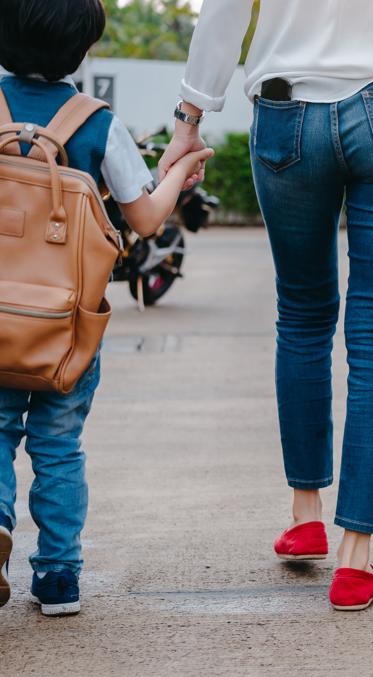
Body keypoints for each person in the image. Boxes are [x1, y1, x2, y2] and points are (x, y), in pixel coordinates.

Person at [164, 0, 373, 611]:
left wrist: (189, 118)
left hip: (287, 109)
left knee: (301, 316)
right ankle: (354, 559)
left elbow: (223, 11)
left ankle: (305, 517)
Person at [0, 0, 213, 616]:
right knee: (59, 447)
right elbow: (145, 219)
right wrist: (181, 171)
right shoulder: (96, 123)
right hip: (65, 328)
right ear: (82, 51)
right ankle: (59, 577)